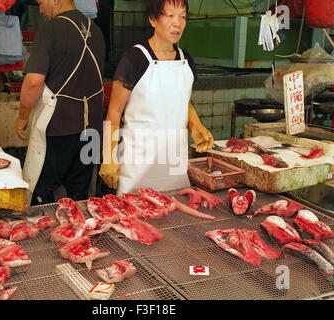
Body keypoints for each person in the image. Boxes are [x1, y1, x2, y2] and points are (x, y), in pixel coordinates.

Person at [98, 0, 213, 195]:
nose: (177, 23)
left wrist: (196, 125)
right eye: (170, 16)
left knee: (176, 217)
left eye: (183, 16)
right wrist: (108, 158)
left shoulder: (186, 60)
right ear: (153, 19)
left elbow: (183, 101)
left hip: (174, 164)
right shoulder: (134, 59)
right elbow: (114, 111)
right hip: (137, 166)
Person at [15, 0, 106, 205]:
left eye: (41, 3)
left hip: (59, 130)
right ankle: (80, 233)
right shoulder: (97, 32)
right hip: (91, 131)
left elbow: (33, 82)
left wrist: (22, 116)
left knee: (41, 193)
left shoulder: (51, 29)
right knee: (80, 196)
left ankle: (45, 235)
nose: (41, 9)